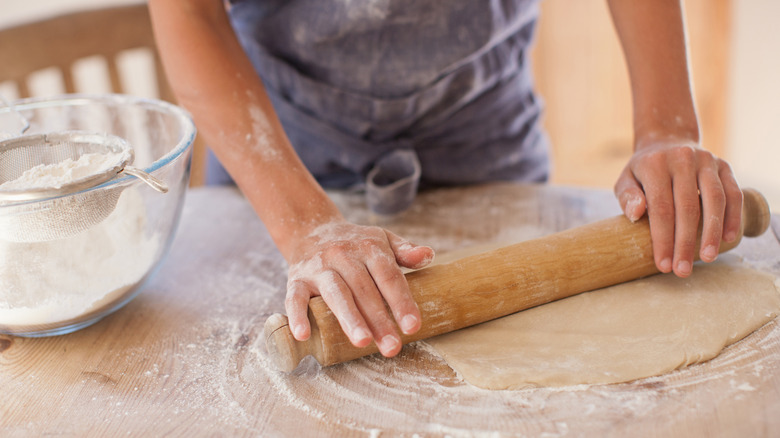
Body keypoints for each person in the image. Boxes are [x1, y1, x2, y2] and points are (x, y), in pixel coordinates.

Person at [148, 0, 743, 359]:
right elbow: (188, 11)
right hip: (277, 156)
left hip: (485, 137)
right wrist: (306, 227)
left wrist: (667, 126)